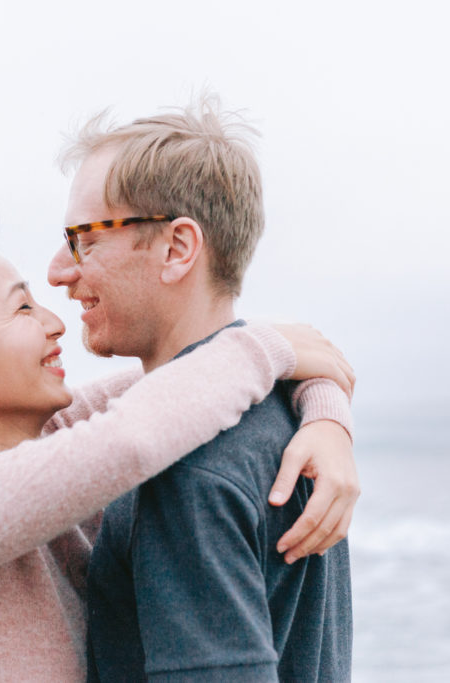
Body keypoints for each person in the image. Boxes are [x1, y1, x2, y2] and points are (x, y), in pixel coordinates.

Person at [0, 227, 355, 682]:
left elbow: (227, 368)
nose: (54, 323)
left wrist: (327, 419)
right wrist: (273, 355)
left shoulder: (54, 438)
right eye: (23, 308)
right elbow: (138, 435)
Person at [46, 96, 356, 681]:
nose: (59, 270)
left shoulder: (184, 465)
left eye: (83, 238)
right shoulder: (284, 418)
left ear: (177, 248)